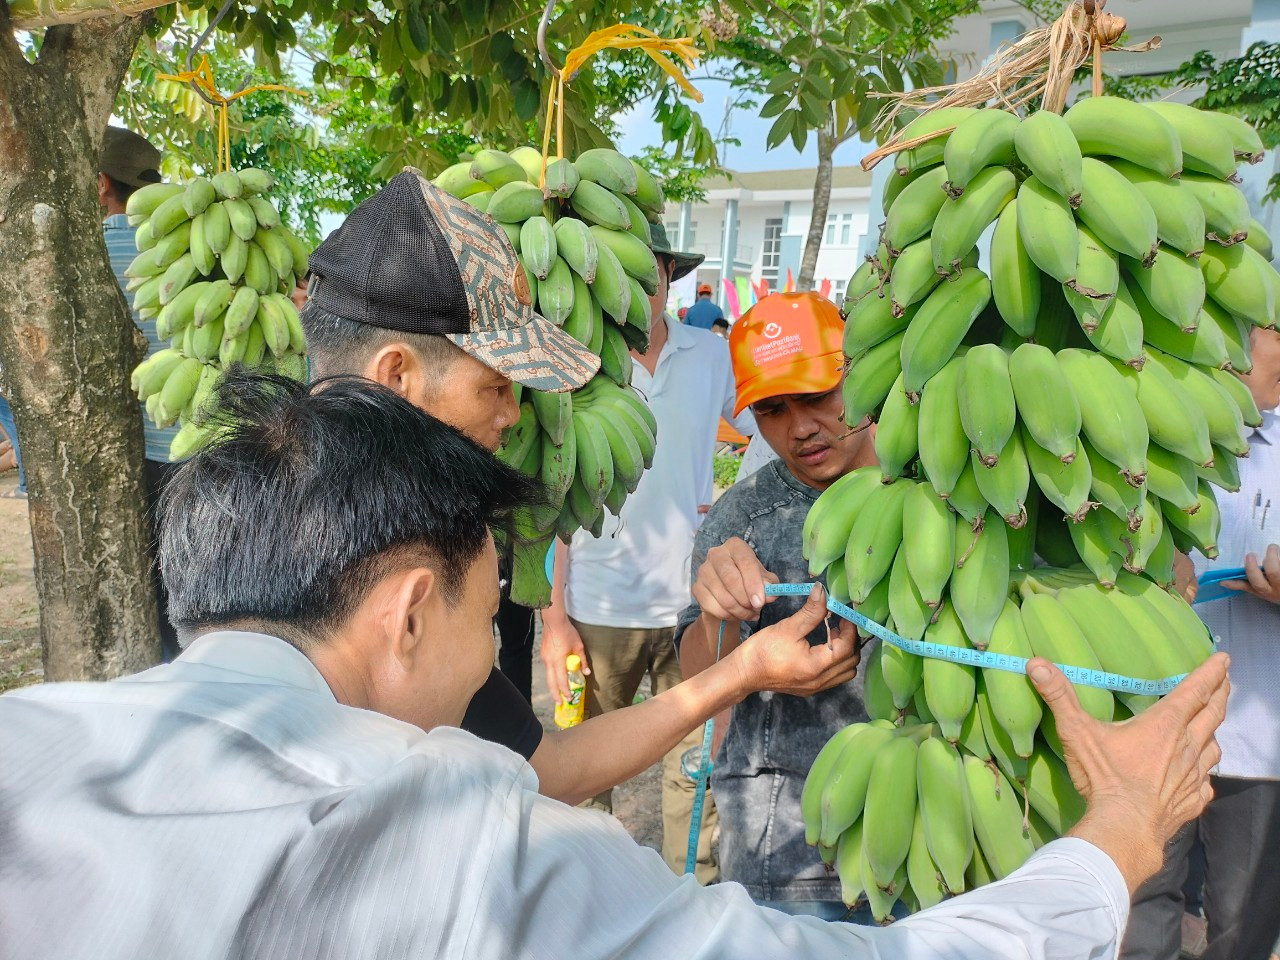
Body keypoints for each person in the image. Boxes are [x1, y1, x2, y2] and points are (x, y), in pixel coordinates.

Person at [0, 370, 1233, 959]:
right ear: (408, 610)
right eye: (496, 612)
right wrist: (1111, 841)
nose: (502, 647)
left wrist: (732, 674)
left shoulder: (33, 735)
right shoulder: (460, 840)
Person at [298, 169, 857, 807]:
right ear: (398, 375)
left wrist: (741, 672)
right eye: (495, 387)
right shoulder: (359, 554)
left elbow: (547, 767)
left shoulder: (400, 529)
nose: (513, 417)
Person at [539, 224, 754, 880]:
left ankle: (690, 909)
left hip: (694, 607)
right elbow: (554, 490)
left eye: (649, 272)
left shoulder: (712, 355)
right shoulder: (577, 363)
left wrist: (740, 506)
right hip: (597, 606)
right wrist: (553, 618)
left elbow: (766, 424)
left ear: (668, 274)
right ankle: (583, 904)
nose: (638, 288)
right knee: (582, 779)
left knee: (695, 780)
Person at [675, 291, 885, 916]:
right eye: (772, 409)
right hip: (788, 843)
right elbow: (696, 677)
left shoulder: (941, 490)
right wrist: (716, 613)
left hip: (939, 819)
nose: (799, 428)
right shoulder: (744, 518)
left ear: (858, 372)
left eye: (818, 395)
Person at [1122, 326, 1280, 960]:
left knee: (1244, 924)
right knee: (1138, 910)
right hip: (1154, 719)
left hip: (1261, 738)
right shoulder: (1139, 429)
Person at [99, 126, 179, 657]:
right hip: (211, 436)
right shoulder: (187, 240)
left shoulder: (88, 248)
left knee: (158, 592)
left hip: (146, 447)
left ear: (101, 183)